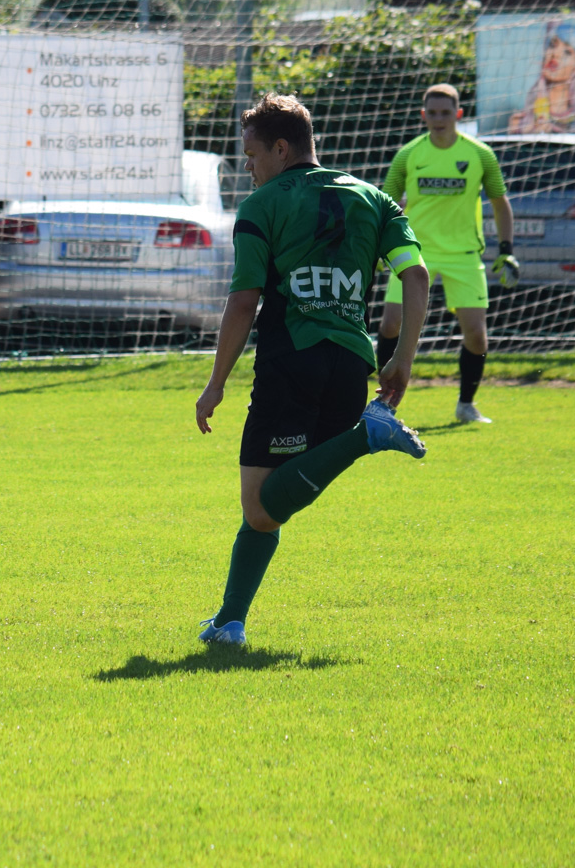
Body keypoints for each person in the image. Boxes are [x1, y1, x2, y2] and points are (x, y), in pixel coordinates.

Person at [194, 93, 430, 646]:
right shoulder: (375, 198)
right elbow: (416, 276)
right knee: (272, 502)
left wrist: (215, 383)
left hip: (291, 360)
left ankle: (368, 435)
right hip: (351, 364)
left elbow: (244, 301)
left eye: (252, 155)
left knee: (260, 506)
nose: (249, 168)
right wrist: (403, 358)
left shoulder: (262, 206)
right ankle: (229, 622)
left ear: (281, 149)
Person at [375, 84, 518, 425]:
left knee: (476, 335)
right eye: (432, 113)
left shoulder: (481, 154)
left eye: (445, 112)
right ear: (423, 115)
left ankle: (466, 405)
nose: (439, 119)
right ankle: (385, 402)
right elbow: (384, 204)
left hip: (463, 254)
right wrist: (379, 247)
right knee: (391, 323)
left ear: (458, 114)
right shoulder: (408, 155)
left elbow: (500, 203)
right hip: (414, 251)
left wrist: (507, 250)